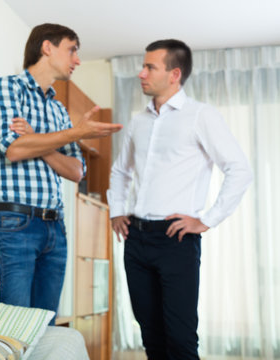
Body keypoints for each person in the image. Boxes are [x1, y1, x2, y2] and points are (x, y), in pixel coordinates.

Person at [108, 39, 253, 359]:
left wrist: (207, 219)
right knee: (150, 331)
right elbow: (120, 172)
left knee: (180, 334)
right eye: (143, 66)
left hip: (176, 238)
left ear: (174, 74)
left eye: (150, 67)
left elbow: (239, 169)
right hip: (136, 238)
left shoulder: (201, 116)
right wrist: (117, 210)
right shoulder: (138, 121)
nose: (141, 73)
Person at [0, 23, 122, 323]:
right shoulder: (7, 88)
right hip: (13, 223)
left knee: (47, 326)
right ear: (47, 47)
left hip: (55, 229)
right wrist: (68, 136)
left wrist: (38, 140)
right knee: (13, 325)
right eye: (72, 50)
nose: (77, 60)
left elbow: (75, 170)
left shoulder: (58, 110)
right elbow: (15, 149)